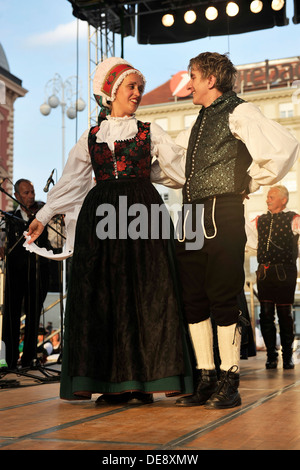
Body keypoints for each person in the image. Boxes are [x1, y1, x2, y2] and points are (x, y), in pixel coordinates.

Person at [25, 57, 194, 404]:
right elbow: (71, 183)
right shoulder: (91, 137)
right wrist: (44, 214)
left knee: (146, 293)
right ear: (112, 90)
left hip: (142, 213)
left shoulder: (150, 131)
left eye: (139, 88)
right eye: (131, 87)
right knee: (104, 296)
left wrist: (159, 173)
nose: (137, 93)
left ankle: (143, 380)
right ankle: (112, 382)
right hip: (101, 217)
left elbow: (177, 170)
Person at [174, 52, 299, 409]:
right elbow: (171, 163)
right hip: (190, 213)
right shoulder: (197, 122)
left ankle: (230, 380)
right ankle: (206, 377)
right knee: (193, 298)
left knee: (222, 295)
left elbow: (284, 146)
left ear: (211, 79)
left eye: (193, 76)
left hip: (222, 210)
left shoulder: (239, 111)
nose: (190, 83)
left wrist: (248, 179)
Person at [247, 185, 300, 370]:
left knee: (285, 314)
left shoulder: (294, 219)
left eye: (271, 197)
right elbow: (252, 243)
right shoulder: (259, 220)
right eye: (267, 197)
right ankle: (271, 356)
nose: (267, 199)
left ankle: (287, 357)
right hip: (264, 272)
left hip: (285, 272)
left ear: (283, 200)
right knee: (266, 313)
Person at [1, 179, 51, 369]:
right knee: (11, 314)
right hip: (16, 272)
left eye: (32, 192)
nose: (31, 196)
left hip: (38, 272)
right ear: (16, 196)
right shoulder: (10, 218)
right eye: (26, 193)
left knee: (34, 314)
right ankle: (10, 360)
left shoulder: (42, 215)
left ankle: (29, 358)